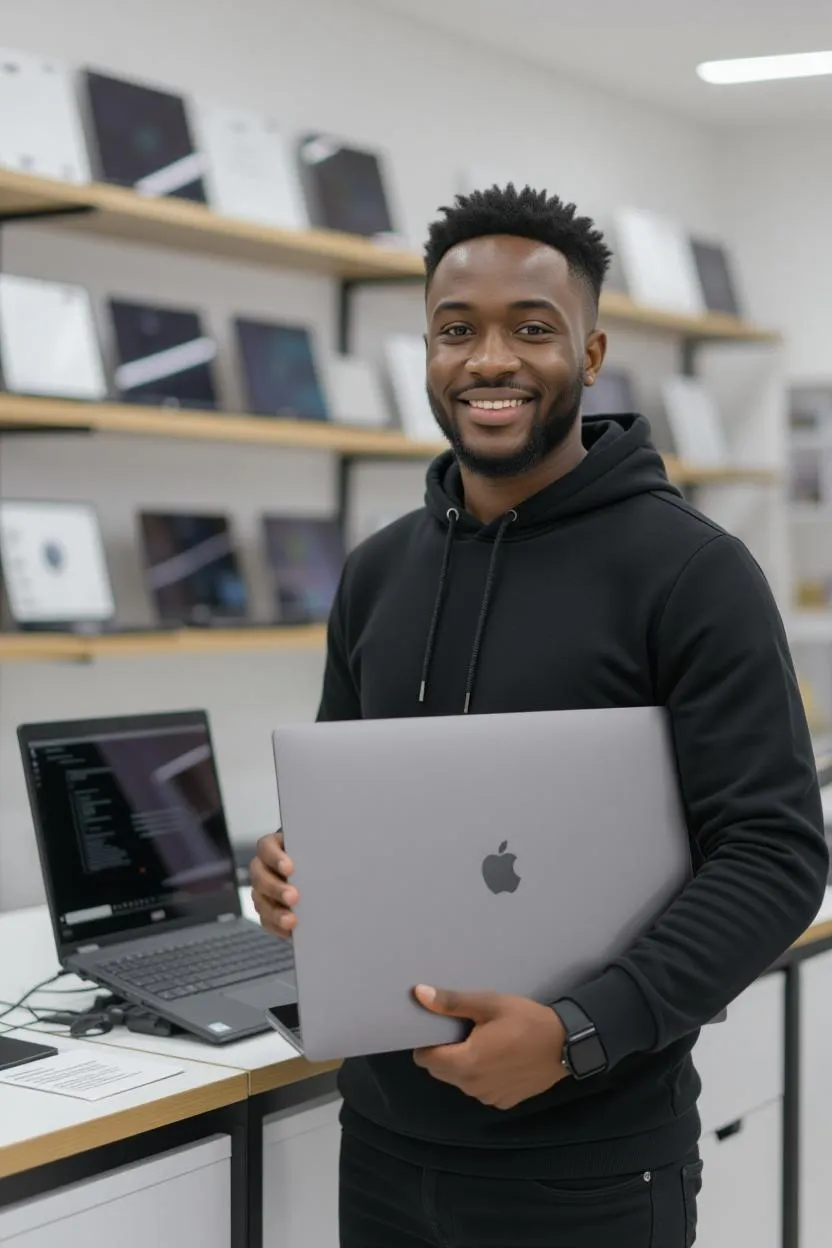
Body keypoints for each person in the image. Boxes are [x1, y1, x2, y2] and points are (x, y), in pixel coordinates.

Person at [251, 185, 828, 1248]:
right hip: (380, 1138)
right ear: (426, 348)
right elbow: (342, 807)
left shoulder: (692, 572)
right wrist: (287, 868)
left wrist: (576, 1035)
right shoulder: (377, 573)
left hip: (590, 1161)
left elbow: (775, 854)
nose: (489, 362)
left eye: (532, 328)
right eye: (456, 330)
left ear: (591, 352)